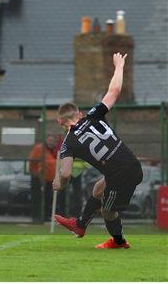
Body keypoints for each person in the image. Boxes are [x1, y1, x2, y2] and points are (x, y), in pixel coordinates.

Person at [53, 52, 142, 249]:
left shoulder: (69, 142)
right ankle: (80, 225)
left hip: (121, 176)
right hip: (133, 164)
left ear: (60, 122)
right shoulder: (93, 115)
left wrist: (59, 184)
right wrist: (119, 66)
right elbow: (115, 90)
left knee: (108, 211)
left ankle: (118, 242)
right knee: (97, 188)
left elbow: (66, 172)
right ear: (80, 113)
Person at [28, 134, 64, 220]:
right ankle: (36, 217)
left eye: (53, 141)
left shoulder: (56, 151)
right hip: (39, 177)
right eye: (50, 140)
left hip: (50, 179)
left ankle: (46, 216)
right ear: (46, 140)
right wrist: (35, 173)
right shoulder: (39, 148)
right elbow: (32, 162)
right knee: (38, 198)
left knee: (48, 198)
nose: (51, 143)